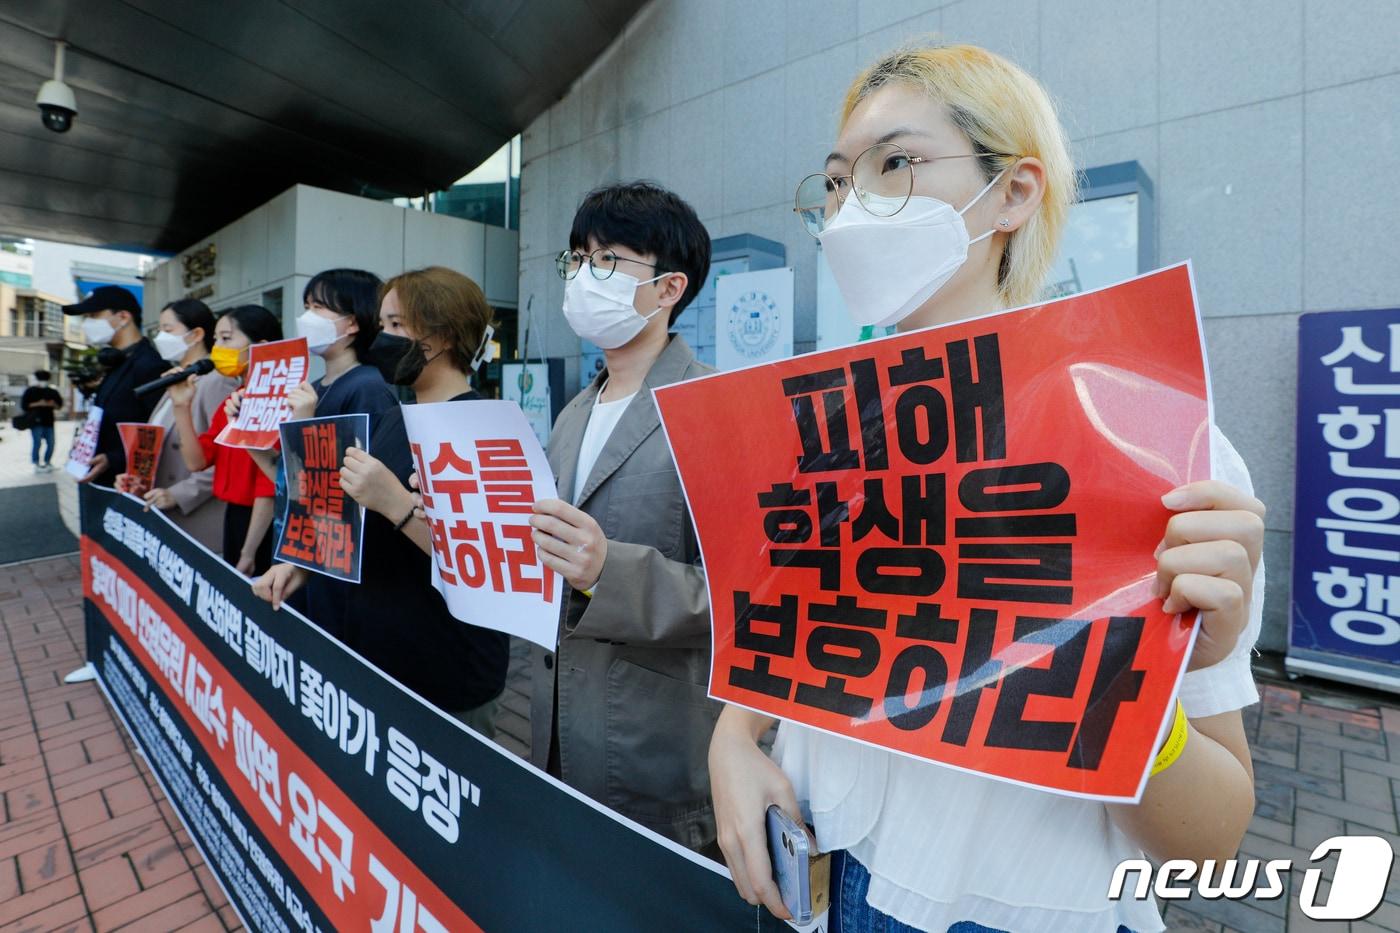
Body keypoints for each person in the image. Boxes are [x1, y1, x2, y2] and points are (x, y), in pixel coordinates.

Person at [708, 44, 1266, 933]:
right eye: (838, 182)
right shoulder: (824, 436)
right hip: (821, 882)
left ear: (1013, 192)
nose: (852, 209)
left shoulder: (1155, 451)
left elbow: (1208, 847)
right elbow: (789, 638)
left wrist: (1140, 695)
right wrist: (733, 740)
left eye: (896, 162)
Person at [521, 181, 718, 851]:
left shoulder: (713, 406)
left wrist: (611, 573)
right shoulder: (573, 414)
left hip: (653, 745)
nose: (584, 277)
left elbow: (748, 596)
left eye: (607, 260)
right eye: (577, 259)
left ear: (669, 288)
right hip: (554, 729)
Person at [252, 267, 508, 733]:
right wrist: (301, 567)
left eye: (396, 325)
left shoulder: (483, 428)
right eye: (383, 323)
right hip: (379, 655)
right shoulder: (395, 417)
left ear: (443, 335)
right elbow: (350, 518)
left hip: (446, 669)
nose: (382, 337)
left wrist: (397, 505)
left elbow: (491, 566)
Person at [237, 269, 398, 557]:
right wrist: (246, 428)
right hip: (307, 549)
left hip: (337, 554)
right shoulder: (314, 388)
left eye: (318, 307)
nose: (306, 317)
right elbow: (287, 479)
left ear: (352, 322)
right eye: (307, 306)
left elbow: (352, 492)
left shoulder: (368, 388)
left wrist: (304, 425)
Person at [168, 305, 283, 576]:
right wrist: (181, 407)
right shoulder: (234, 400)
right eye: (216, 339)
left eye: (226, 338)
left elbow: (269, 488)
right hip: (234, 516)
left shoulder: (277, 401)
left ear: (260, 346)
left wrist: (249, 552)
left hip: (264, 525)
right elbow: (197, 461)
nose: (217, 347)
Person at [117, 299, 239, 550]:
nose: (160, 337)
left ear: (196, 335)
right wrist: (135, 478)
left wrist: (179, 494)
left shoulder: (216, 381)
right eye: (158, 330)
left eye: (168, 329)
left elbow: (229, 456)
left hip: (196, 518)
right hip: (165, 511)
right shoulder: (178, 377)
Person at [61, 285, 167, 485]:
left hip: (126, 483)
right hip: (97, 478)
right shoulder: (117, 362)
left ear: (123, 317)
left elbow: (159, 430)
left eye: (94, 315)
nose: (87, 323)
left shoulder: (150, 366)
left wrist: (114, 458)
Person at [20, 370, 63, 472]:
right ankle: (36, 464)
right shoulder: (30, 391)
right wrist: (39, 403)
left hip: (49, 421)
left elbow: (59, 405)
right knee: (37, 443)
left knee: (51, 443)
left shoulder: (52, 391)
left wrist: (52, 404)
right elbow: (24, 406)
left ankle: (48, 462)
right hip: (35, 422)